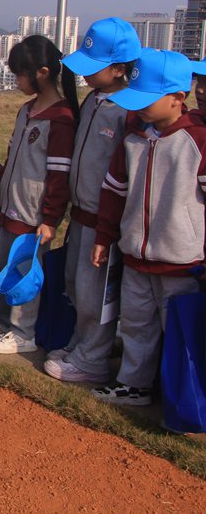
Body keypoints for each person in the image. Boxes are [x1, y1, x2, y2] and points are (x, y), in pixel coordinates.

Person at [91, 49, 206, 407]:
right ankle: (133, 383)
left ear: (177, 99)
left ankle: (183, 397)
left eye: (149, 100)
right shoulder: (133, 137)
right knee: (137, 325)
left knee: (181, 334)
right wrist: (105, 236)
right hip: (135, 254)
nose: (140, 108)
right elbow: (114, 190)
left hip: (181, 260)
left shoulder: (198, 141)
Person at [44, 18, 139, 382]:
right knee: (77, 285)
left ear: (118, 69)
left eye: (94, 67)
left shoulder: (125, 110)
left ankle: (93, 358)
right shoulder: (95, 98)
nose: (86, 74)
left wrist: (107, 224)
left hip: (104, 219)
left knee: (96, 293)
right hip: (81, 214)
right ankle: (82, 345)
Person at [0, 35, 78, 354]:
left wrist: (50, 217)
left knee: (27, 276)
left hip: (34, 216)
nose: (16, 81)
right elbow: (11, 156)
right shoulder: (26, 111)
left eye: (19, 74)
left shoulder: (62, 118)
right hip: (10, 209)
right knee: (2, 269)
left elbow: (58, 174)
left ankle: (23, 331)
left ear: (41, 72)